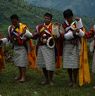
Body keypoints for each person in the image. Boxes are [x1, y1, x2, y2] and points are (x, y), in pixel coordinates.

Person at [0, 14, 33, 82]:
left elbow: (30, 35)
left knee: (22, 62)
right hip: (15, 47)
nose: (13, 23)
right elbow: (9, 38)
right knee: (18, 62)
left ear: (17, 20)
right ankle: (20, 75)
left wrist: (24, 32)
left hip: (23, 47)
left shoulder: (23, 27)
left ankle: (23, 77)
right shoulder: (10, 28)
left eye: (14, 21)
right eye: (12, 21)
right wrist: (2, 41)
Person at [32, 13, 61, 85]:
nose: (46, 19)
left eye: (48, 18)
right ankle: (46, 79)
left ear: (51, 19)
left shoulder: (53, 27)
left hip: (50, 48)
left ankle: (51, 80)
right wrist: (36, 34)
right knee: (43, 64)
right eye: (45, 18)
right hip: (41, 47)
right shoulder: (39, 27)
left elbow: (57, 37)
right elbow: (34, 36)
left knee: (50, 64)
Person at [62, 9, 85, 87]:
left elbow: (82, 33)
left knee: (75, 64)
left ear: (72, 16)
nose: (68, 19)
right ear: (65, 18)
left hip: (75, 46)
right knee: (68, 64)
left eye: (69, 17)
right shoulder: (63, 25)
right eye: (67, 18)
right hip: (67, 45)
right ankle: (70, 80)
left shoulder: (76, 23)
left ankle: (75, 81)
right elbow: (63, 36)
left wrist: (78, 31)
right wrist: (73, 33)